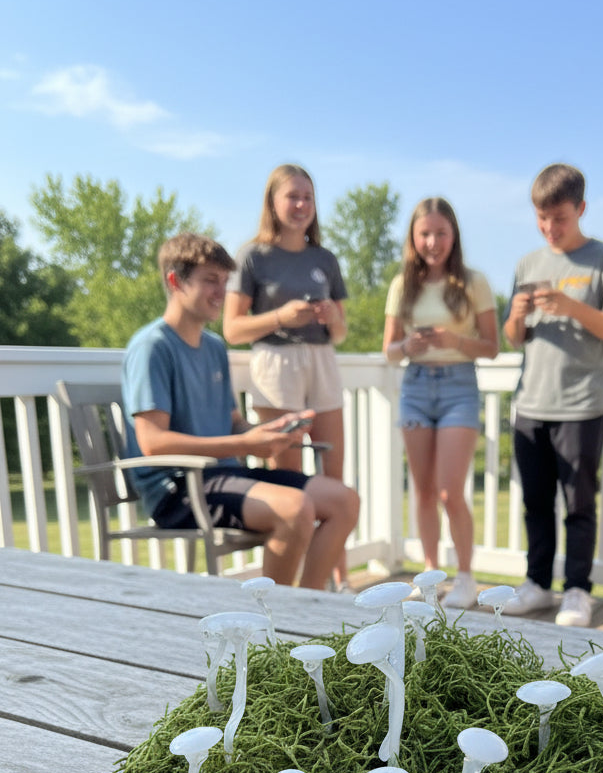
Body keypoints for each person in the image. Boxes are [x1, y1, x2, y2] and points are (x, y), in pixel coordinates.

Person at [122, 232, 359, 589]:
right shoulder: (152, 347)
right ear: (175, 281)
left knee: (344, 501)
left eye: (224, 281)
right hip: (180, 489)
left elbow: (232, 422)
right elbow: (153, 442)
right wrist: (247, 446)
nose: (222, 293)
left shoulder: (214, 347)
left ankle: (305, 612)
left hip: (226, 474)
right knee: (294, 511)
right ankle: (272, 630)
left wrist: (271, 432)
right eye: (210, 281)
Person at [502, 164, 603, 626]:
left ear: (580, 208)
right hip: (529, 403)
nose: (549, 228)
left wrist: (571, 307)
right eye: (541, 218)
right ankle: (537, 583)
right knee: (535, 503)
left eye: (559, 218)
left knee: (578, 505)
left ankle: (577, 590)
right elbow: (512, 338)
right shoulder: (527, 264)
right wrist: (517, 315)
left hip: (581, 405)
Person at [222, 164, 352, 588]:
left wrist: (332, 316)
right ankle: (291, 585)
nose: (301, 205)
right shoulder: (253, 256)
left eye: (308, 198)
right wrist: (280, 315)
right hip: (275, 364)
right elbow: (232, 329)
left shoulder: (325, 259)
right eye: (292, 196)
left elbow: (342, 332)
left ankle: (337, 580)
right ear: (273, 203)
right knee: (291, 480)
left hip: (321, 361)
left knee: (334, 476)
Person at [383, 197, 499, 610]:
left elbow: (491, 346)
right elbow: (389, 351)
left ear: (454, 236)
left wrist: (454, 342)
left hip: (458, 387)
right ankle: (431, 576)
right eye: (425, 233)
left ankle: (466, 576)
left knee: (451, 491)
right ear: (414, 238)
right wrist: (408, 345)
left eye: (441, 233)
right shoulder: (403, 285)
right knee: (425, 490)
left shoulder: (473, 282)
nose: (433, 241)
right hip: (415, 386)